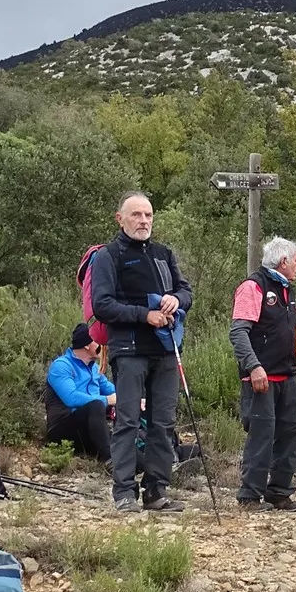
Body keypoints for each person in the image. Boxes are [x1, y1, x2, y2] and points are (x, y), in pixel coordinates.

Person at [89, 191, 192, 514]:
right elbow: (102, 305)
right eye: (136, 215)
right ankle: (123, 492)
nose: (143, 221)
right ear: (120, 219)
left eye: (148, 215)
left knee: (163, 422)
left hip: (166, 348)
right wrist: (144, 315)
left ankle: (156, 491)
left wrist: (177, 299)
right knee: (128, 421)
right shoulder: (108, 256)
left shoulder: (164, 253)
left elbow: (186, 291)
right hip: (129, 349)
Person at [230, 237, 296, 512]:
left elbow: (289, 330)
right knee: (261, 437)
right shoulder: (253, 286)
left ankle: (279, 492)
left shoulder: (288, 290)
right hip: (260, 377)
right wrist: (254, 366)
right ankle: (249, 496)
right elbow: (238, 332)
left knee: (290, 434)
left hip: (287, 375)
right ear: (284, 261)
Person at [45, 323, 115, 462]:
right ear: (87, 345)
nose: (103, 345)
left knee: (124, 446)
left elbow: (112, 390)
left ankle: (150, 468)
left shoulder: (95, 369)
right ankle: (109, 460)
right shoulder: (61, 366)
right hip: (62, 429)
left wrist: (135, 399)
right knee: (96, 405)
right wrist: (107, 400)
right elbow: (72, 398)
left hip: (90, 428)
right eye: (99, 340)